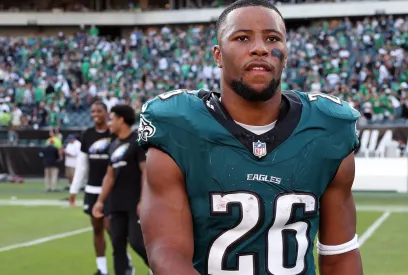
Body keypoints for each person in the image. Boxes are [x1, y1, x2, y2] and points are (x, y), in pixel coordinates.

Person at [137, 0, 363, 274]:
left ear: (286, 55)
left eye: (272, 38)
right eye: (242, 38)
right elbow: (167, 253)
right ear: (218, 56)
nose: (260, 48)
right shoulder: (179, 127)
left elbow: (340, 256)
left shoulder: (327, 129)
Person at [69, 101, 130, 275]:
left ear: (106, 113)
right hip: (92, 190)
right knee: (97, 229)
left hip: (113, 191)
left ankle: (125, 263)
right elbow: (82, 166)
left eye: (99, 111)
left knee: (113, 230)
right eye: (93, 111)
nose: (95, 114)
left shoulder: (115, 134)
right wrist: (74, 190)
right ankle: (101, 269)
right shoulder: (87, 135)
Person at [92, 104, 150, 275]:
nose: (109, 123)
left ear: (121, 120)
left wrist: (143, 199)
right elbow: (109, 176)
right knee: (117, 244)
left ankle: (160, 268)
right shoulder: (113, 145)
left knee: (137, 242)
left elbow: (145, 172)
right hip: (116, 204)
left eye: (112, 119)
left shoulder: (138, 142)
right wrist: (100, 201)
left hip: (134, 203)